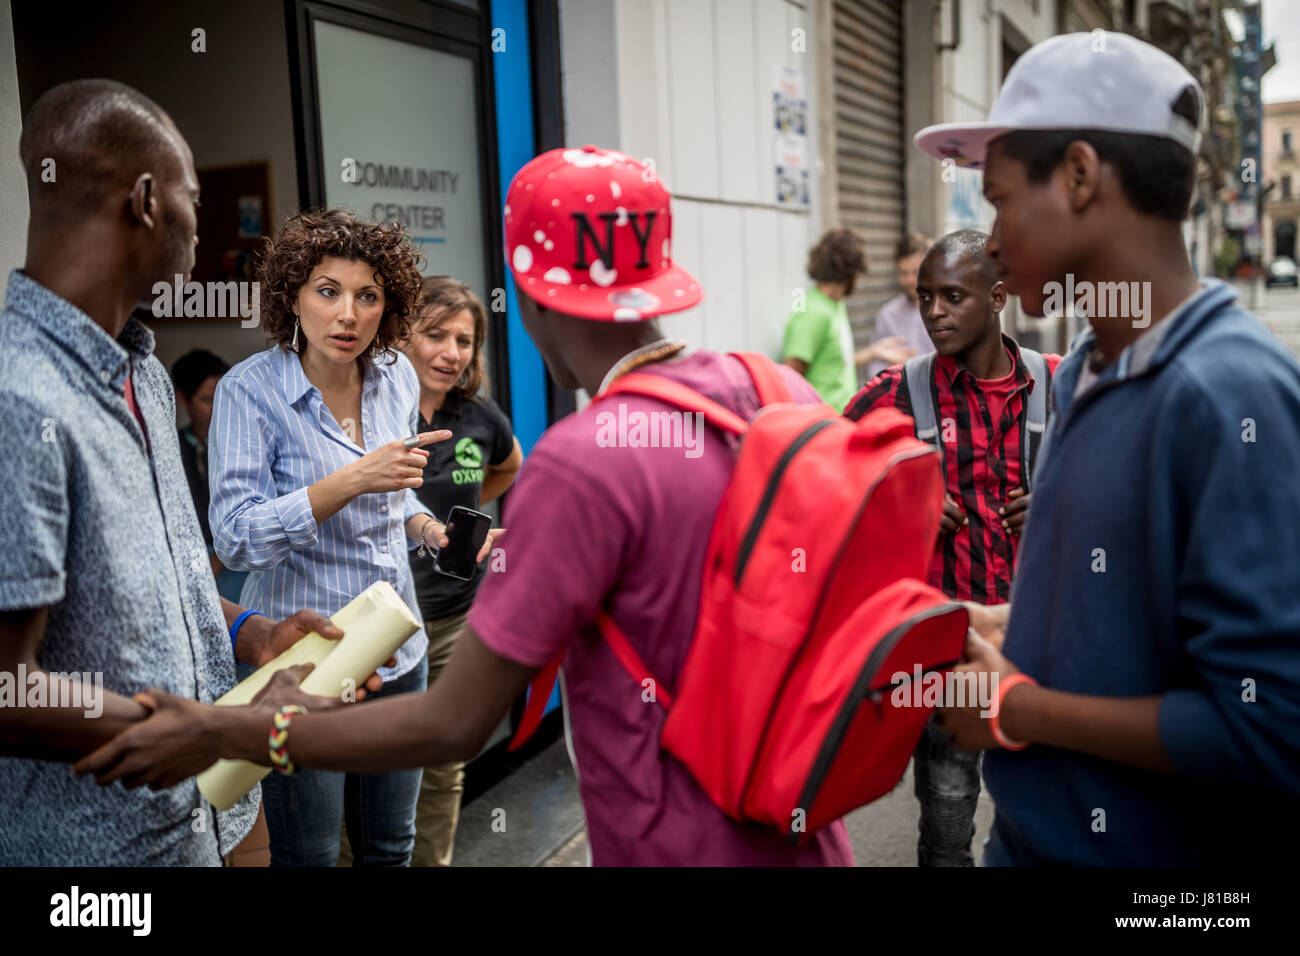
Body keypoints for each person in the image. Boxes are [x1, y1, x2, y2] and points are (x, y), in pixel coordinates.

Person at [76, 145, 855, 867]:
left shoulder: (579, 463)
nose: (350, 314)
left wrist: (225, 729)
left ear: (529, 297)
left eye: (370, 297)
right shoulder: (771, 387)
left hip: (675, 839)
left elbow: (456, 719)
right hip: (804, 814)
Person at [912, 31, 1300, 864]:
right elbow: (1144, 622)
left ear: (1081, 176)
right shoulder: (1085, 371)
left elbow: (1268, 722)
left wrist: (1015, 708)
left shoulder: (1228, 393)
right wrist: (1016, 625)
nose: (992, 234)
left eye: (1001, 198)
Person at [0, 79, 362, 866]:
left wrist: (250, 631)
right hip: (100, 861)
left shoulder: (146, 374)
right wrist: (230, 728)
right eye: (193, 196)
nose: (201, 226)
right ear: (145, 200)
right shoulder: (16, 396)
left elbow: (159, 586)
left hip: (213, 818)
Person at [206, 208, 456, 867]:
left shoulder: (397, 374)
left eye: (368, 296)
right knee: (309, 853)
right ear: (292, 295)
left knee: (390, 848)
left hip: (399, 653)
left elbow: (394, 492)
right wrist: (348, 480)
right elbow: (234, 542)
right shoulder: (249, 392)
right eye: (328, 291)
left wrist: (428, 525)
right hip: (303, 662)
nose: (348, 314)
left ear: (388, 305)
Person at [843, 229, 1060, 866]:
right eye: (924, 298)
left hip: (1037, 644)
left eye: (952, 297)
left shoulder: (1057, 385)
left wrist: (1056, 504)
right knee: (945, 826)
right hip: (945, 650)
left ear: (997, 298)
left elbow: (1117, 491)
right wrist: (893, 498)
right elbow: (816, 467)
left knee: (1047, 820)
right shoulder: (898, 392)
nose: (933, 313)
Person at [340, 276, 521, 867]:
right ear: (403, 334)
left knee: (441, 769)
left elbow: (507, 468)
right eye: (435, 334)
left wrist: (458, 521)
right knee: (353, 770)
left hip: (449, 621)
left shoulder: (476, 415)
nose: (451, 352)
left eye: (465, 340)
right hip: (369, 623)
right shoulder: (367, 404)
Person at [781, 228, 914, 411]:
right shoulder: (811, 312)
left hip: (840, 421)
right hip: (821, 426)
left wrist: (873, 352)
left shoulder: (835, 304)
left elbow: (832, 363)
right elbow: (789, 378)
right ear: (849, 273)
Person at [172, 349, 247, 602]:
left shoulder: (245, 447)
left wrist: (218, 558)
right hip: (188, 566)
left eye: (222, 397)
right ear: (183, 398)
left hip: (238, 565)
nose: (218, 408)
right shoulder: (170, 449)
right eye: (206, 400)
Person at [862, 232, 933, 379]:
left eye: (916, 272)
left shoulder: (946, 309)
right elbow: (875, 369)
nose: (910, 280)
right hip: (900, 396)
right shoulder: (888, 314)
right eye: (903, 273)